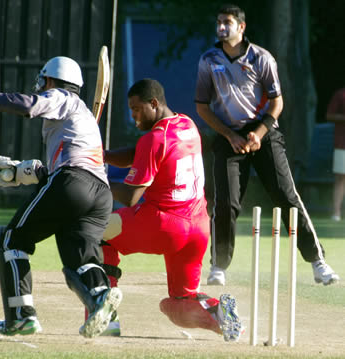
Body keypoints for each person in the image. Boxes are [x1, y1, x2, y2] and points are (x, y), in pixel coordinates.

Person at [0, 56, 122, 338]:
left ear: (50, 80)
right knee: (80, 257)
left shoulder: (63, 97)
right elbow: (57, 166)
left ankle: (20, 316)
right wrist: (20, 171)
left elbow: (29, 106)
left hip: (73, 181)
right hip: (100, 194)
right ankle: (101, 296)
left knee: (11, 240)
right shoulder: (82, 115)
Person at [194, 4, 340, 286]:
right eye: (219, 22)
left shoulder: (262, 58)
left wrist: (258, 133)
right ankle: (218, 267)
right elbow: (202, 107)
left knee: (286, 196)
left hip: (263, 132)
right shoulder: (208, 60)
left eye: (228, 22)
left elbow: (277, 103)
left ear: (241, 26)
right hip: (228, 135)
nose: (222, 27)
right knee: (226, 202)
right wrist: (230, 135)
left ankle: (318, 262)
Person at [100, 78, 243, 342]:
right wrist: (105, 156)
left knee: (97, 234)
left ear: (153, 103)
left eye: (137, 109)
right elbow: (141, 153)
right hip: (198, 229)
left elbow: (131, 197)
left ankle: (104, 315)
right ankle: (219, 313)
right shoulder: (187, 124)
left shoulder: (154, 139)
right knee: (176, 306)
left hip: (164, 224)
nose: (134, 117)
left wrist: (98, 181)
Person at [326, 87, 345, 222]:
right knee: (341, 178)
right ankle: (336, 212)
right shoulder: (340, 94)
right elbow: (329, 115)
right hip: (342, 143)